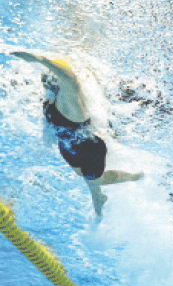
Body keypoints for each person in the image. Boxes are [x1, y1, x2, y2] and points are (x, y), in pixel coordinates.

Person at [11, 51, 143, 216]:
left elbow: (70, 79)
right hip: (68, 148)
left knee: (95, 184)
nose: (44, 81)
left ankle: (129, 181)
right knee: (92, 182)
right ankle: (102, 194)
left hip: (90, 151)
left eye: (49, 78)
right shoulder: (52, 95)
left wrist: (42, 60)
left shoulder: (72, 104)